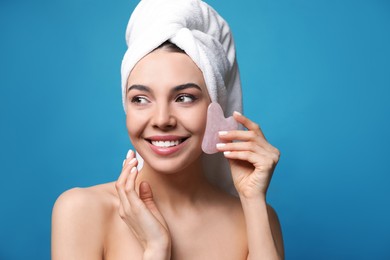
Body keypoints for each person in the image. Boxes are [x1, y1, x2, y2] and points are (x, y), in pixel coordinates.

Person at [51, 0, 284, 259]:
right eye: (140, 99)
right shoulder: (82, 210)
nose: (162, 119)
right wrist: (156, 249)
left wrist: (252, 200)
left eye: (184, 97)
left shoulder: (254, 218)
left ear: (216, 109)